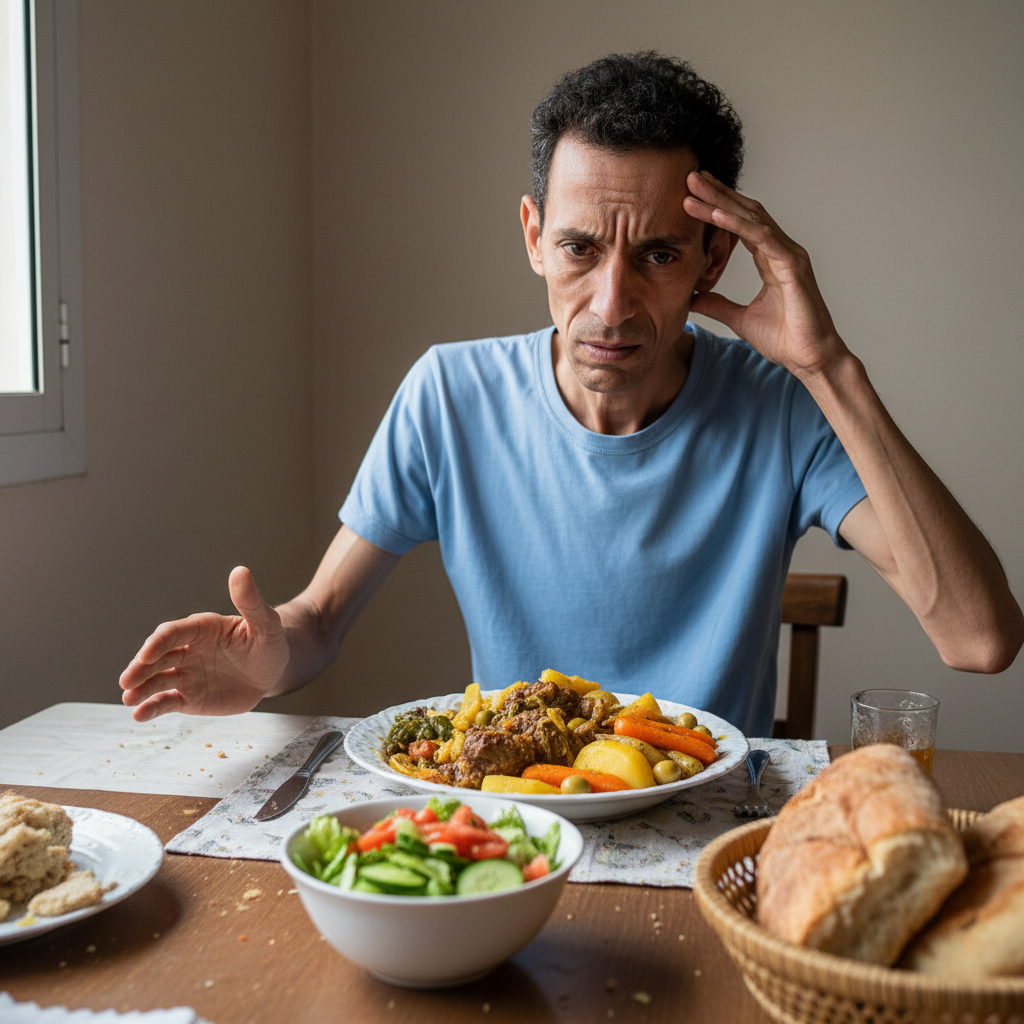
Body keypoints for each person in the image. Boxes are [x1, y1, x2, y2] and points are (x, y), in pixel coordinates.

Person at [119, 52, 1023, 736]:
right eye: (580, 249)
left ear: (715, 258)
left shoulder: (783, 405)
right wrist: (273, 660)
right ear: (534, 235)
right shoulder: (449, 394)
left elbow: (979, 641)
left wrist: (828, 365)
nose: (612, 305)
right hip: (517, 824)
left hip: (708, 838)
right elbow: (317, 620)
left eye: (660, 254)